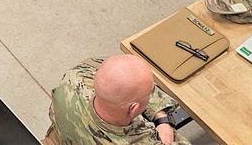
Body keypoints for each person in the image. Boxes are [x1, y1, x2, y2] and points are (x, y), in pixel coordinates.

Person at [45, 55, 189, 145]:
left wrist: (160, 116)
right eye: (151, 92)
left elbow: (107, 64)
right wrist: (162, 119)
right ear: (133, 108)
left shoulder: (74, 79)